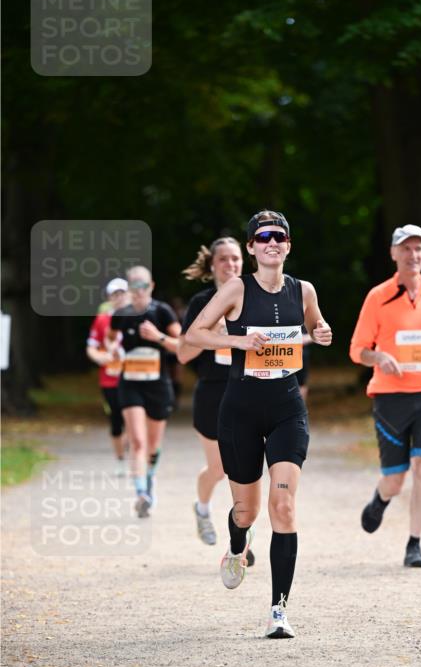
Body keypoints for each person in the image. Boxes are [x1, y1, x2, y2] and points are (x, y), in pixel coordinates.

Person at [184, 210, 332, 638]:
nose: (272, 243)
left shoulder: (303, 290)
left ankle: (278, 612)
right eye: (263, 237)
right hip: (240, 408)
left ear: (288, 245)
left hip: (287, 406)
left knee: (283, 507)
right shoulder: (236, 289)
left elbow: (316, 322)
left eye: (279, 237)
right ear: (251, 247)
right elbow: (194, 334)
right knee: (246, 511)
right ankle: (236, 544)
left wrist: (321, 331)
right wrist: (238, 341)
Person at [349, 224, 421, 568]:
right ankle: (380, 500)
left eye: (419, 249)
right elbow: (357, 350)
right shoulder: (377, 297)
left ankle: (415, 544)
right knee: (395, 479)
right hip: (390, 396)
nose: (413, 255)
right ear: (394, 253)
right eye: (406, 249)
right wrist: (378, 357)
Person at [178, 236, 254, 559]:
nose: (231, 265)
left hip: (248, 391)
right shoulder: (201, 303)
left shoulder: (254, 298)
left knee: (246, 470)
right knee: (221, 469)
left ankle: (243, 538)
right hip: (212, 394)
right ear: (212, 265)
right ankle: (202, 507)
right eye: (223, 259)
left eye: (235, 258)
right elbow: (182, 354)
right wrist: (215, 335)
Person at [106, 266, 181, 517]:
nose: (139, 291)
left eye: (143, 286)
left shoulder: (162, 311)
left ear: (151, 286)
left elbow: (182, 345)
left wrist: (158, 336)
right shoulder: (121, 313)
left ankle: (149, 480)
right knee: (137, 441)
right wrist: (114, 350)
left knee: (152, 445)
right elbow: (110, 338)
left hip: (158, 385)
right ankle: (140, 493)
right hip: (131, 383)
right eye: (134, 286)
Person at [86, 278, 128, 473]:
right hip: (110, 377)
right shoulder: (102, 319)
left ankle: (134, 453)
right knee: (116, 418)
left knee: (135, 416)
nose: (119, 297)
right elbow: (91, 348)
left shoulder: (139, 316)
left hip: (134, 375)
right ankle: (120, 460)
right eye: (115, 294)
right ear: (110, 297)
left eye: (122, 293)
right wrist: (100, 357)